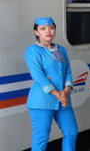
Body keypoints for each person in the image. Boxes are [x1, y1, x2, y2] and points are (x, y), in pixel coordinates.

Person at [25, 17, 78, 151]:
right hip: (42, 100)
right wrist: (58, 94)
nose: (48, 31)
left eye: (51, 28)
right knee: (41, 138)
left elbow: (68, 71)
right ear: (36, 32)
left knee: (71, 132)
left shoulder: (61, 49)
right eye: (43, 29)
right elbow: (38, 76)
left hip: (63, 99)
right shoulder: (32, 51)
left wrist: (65, 92)